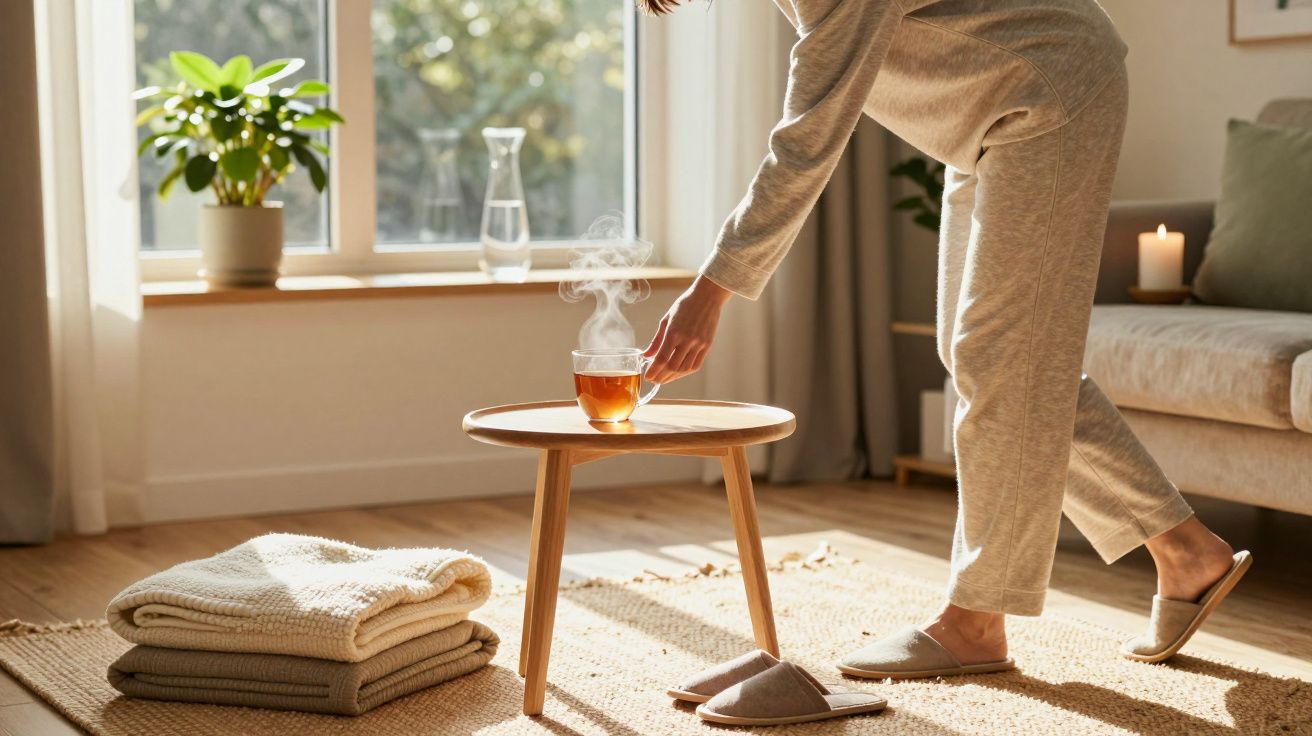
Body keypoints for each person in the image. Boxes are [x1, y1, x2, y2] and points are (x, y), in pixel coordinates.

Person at [640, 0, 1249, 677]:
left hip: (1049, 87)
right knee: (992, 361)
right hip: (990, 114)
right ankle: (1187, 550)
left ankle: (976, 622)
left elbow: (807, 143)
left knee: (1001, 359)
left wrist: (711, 290)